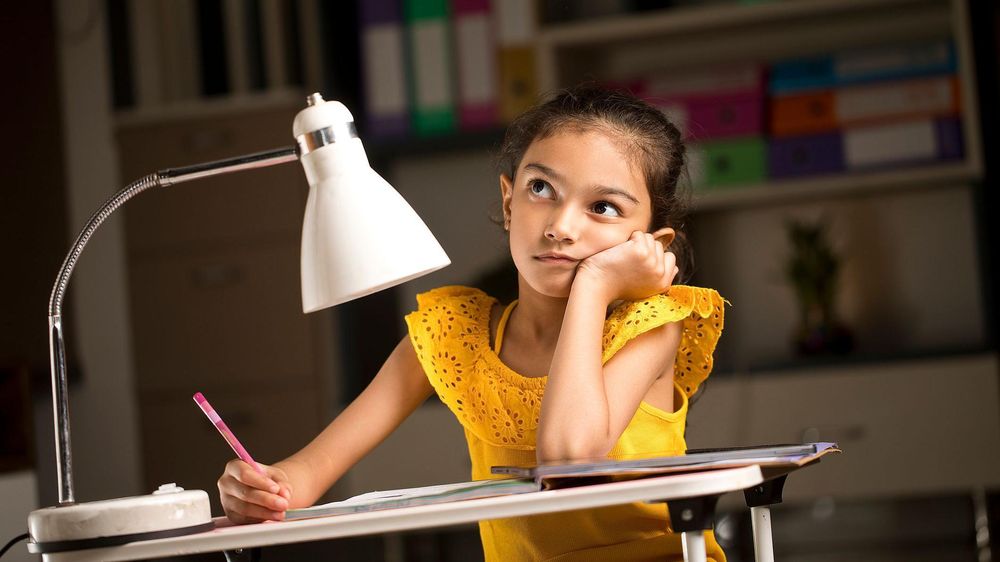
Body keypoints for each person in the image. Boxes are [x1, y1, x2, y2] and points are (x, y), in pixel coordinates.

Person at [217, 85, 728, 561]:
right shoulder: (456, 333)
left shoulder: (654, 326)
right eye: (541, 188)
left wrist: (594, 285)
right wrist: (263, 487)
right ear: (509, 201)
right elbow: (306, 474)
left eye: (603, 207)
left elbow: (570, 459)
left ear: (651, 245)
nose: (560, 227)